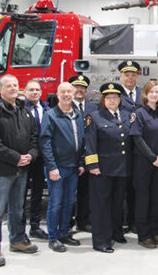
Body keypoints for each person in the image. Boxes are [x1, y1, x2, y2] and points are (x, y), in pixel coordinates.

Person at [0, 74, 39, 267]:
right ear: (0, 89)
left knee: (18, 208)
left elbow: (33, 135)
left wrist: (30, 155)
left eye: (15, 85)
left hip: (21, 169)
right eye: (9, 86)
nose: (14, 88)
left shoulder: (23, 111)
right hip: (1, 170)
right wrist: (16, 158)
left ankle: (17, 240)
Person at [84, 82, 132, 253]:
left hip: (122, 168)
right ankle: (101, 241)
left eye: (115, 97)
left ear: (120, 99)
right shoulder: (95, 117)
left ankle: (116, 233)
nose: (112, 100)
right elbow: (90, 143)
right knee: (101, 206)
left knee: (118, 203)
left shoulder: (126, 115)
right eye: (109, 98)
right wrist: (93, 165)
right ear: (103, 100)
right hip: (102, 170)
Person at [39, 82, 85, 252]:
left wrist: (80, 163)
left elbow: (81, 141)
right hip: (57, 168)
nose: (66, 95)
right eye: (63, 92)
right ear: (57, 94)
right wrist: (52, 167)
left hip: (73, 167)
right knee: (55, 203)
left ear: (73, 94)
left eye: (69, 92)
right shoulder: (50, 115)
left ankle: (64, 232)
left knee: (68, 203)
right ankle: (53, 237)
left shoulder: (78, 115)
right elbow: (45, 143)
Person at [130, 80, 158, 249]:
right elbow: (137, 138)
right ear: (145, 94)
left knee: (157, 198)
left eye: (157, 92)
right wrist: (152, 157)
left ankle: (156, 232)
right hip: (143, 163)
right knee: (143, 199)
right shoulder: (139, 113)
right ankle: (144, 235)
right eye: (151, 92)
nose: (154, 95)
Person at [22, 79, 50, 240]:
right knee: (20, 195)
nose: (34, 92)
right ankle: (20, 230)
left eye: (37, 90)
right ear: (24, 92)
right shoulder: (20, 109)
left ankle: (35, 226)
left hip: (41, 158)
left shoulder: (46, 109)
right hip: (25, 157)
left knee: (38, 193)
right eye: (31, 90)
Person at [69, 74, 95, 233]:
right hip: (70, 156)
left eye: (82, 88)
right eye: (76, 87)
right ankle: (68, 221)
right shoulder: (65, 106)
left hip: (87, 155)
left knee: (86, 191)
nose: (79, 90)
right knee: (69, 192)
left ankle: (83, 221)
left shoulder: (93, 108)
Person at [117, 60, 141, 234]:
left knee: (135, 188)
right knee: (121, 188)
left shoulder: (143, 93)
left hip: (138, 148)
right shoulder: (115, 94)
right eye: (127, 75)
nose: (130, 78)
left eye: (133, 75)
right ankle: (121, 222)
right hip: (121, 147)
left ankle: (134, 220)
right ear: (121, 76)